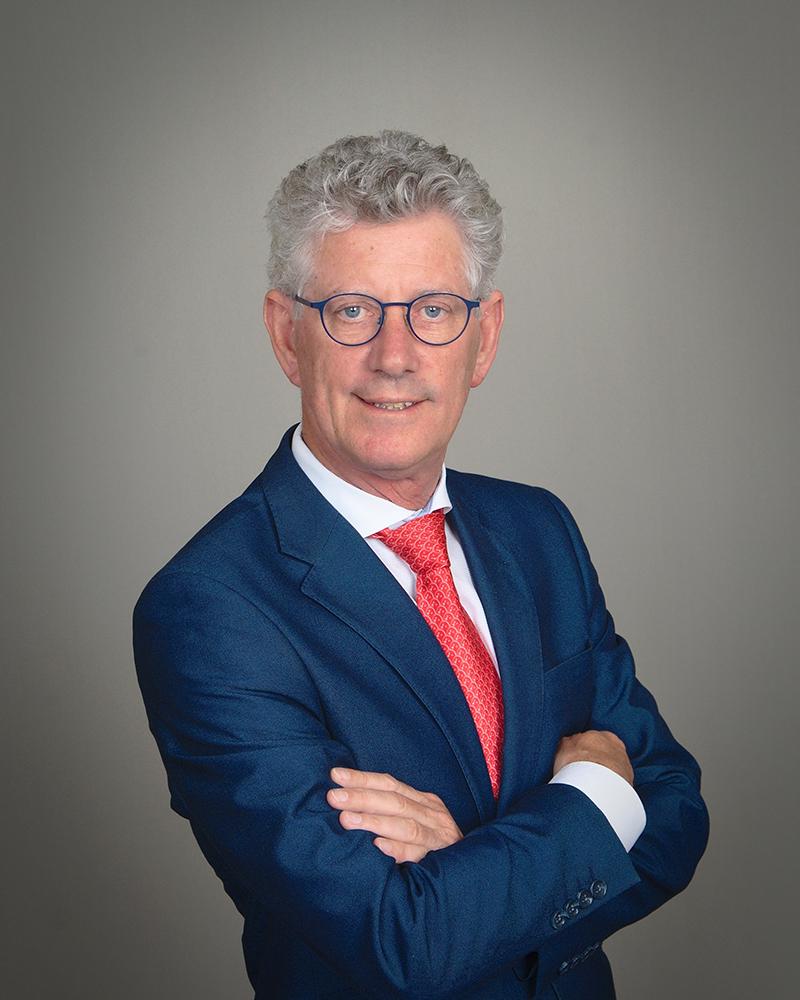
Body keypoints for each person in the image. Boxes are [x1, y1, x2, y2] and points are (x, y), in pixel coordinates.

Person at [133, 130, 709, 999]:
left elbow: (675, 811)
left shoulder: (539, 532)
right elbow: (400, 940)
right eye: (351, 311)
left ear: (485, 337)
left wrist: (472, 873)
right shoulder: (211, 610)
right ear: (287, 336)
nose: (395, 356)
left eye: (433, 310)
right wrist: (595, 792)